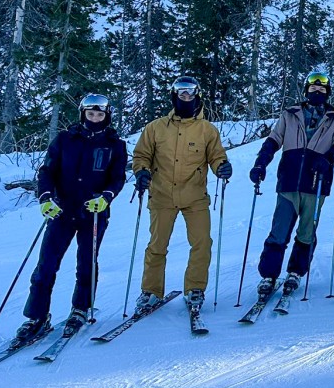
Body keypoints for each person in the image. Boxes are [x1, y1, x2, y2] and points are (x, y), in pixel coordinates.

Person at [16, 94, 128, 342]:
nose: (95, 119)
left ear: (107, 116)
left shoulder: (115, 145)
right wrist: (45, 197)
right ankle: (36, 316)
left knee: (86, 262)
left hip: (94, 212)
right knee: (46, 264)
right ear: (83, 114)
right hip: (62, 211)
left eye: (100, 115)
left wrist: (106, 197)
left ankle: (80, 308)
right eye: (91, 114)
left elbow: (117, 178)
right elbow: (47, 171)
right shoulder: (65, 139)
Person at [132, 76, 231, 315]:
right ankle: (151, 291)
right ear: (174, 96)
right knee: (157, 245)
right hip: (161, 195)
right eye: (181, 93)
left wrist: (221, 167)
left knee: (202, 243)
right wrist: (142, 171)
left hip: (195, 196)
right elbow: (141, 155)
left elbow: (216, 156)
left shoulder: (207, 130)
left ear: (197, 96)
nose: (186, 97)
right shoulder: (155, 128)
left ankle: (195, 288)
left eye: (190, 93)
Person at [248, 69, 334, 300]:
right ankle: (269, 275)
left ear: (327, 93)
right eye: (313, 88)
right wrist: (260, 164)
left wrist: (328, 158)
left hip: (316, 183)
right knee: (279, 231)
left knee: (306, 232)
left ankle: (296, 272)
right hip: (289, 181)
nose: (317, 92)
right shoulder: (290, 115)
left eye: (321, 89)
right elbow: (273, 141)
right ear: (306, 91)